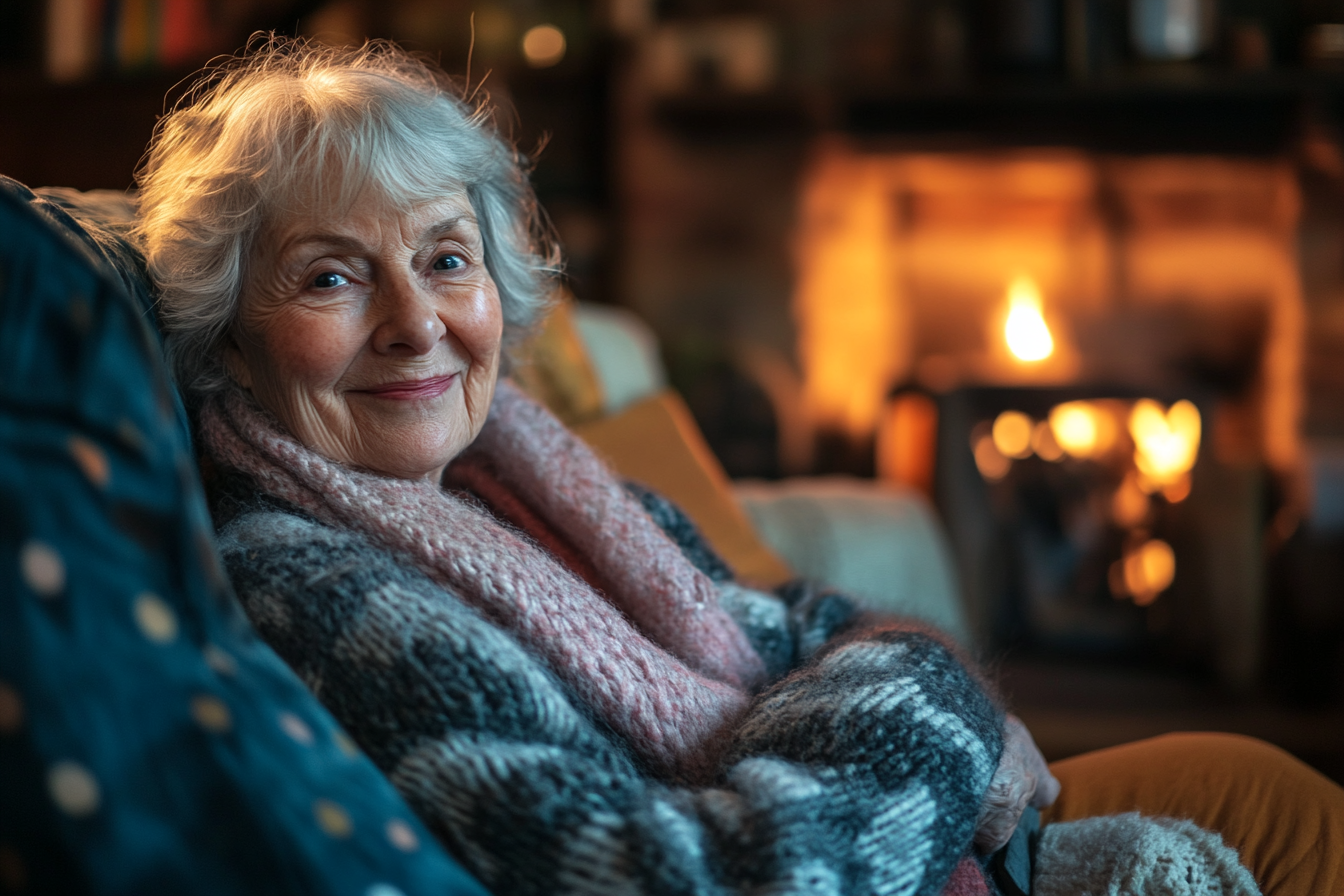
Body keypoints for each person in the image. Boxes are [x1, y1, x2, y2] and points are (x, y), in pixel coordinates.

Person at [134, 36, 1342, 896]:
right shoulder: (316, 592)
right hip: (889, 843)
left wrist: (884, 687)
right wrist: (951, 704)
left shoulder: (519, 470)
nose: (419, 322)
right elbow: (725, 877)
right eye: (333, 276)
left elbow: (788, 615)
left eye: (448, 259)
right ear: (226, 331)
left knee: (1264, 786)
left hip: (901, 819)